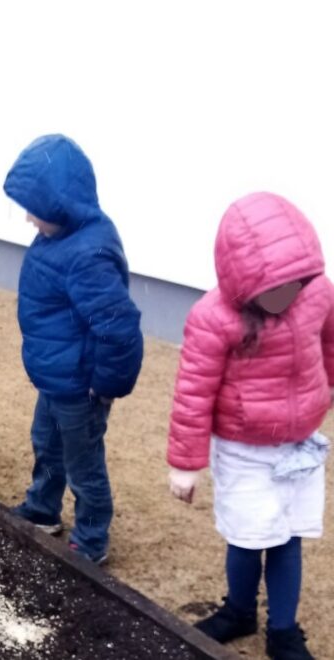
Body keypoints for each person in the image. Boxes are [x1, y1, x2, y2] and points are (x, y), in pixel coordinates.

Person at [167, 192, 334, 660]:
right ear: (243, 278)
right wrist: (186, 464)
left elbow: (330, 341)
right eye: (273, 288)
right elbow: (193, 392)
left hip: (299, 446)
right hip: (245, 449)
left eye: (293, 284)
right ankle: (239, 609)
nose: (286, 296)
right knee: (247, 536)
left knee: (288, 536)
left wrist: (329, 385)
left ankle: (284, 630)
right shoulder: (212, 319)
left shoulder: (318, 291)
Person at [2, 134, 144, 565]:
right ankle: (43, 508)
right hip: (56, 376)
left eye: (34, 209)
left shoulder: (88, 254)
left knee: (84, 462)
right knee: (46, 442)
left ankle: (92, 538)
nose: (27, 218)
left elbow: (118, 328)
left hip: (81, 386)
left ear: (60, 204)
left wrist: (104, 387)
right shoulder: (57, 237)